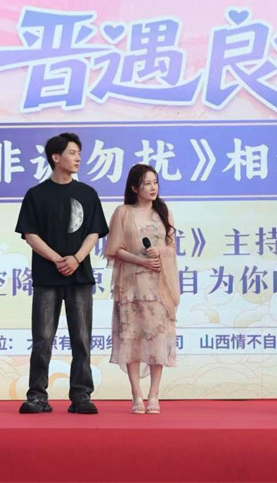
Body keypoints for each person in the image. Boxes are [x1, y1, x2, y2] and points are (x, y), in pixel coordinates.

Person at [16, 133, 109, 415]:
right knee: (43, 338)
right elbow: (30, 234)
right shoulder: (36, 194)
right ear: (55, 158)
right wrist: (58, 259)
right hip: (47, 277)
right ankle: (37, 396)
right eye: (72, 152)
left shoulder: (87, 194)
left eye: (79, 152)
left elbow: (94, 231)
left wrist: (76, 259)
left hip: (80, 277)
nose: (78, 158)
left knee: (81, 338)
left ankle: (81, 396)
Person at [105, 164, 179, 415]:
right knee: (132, 337)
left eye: (155, 182)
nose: (152, 188)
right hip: (131, 286)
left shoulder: (164, 212)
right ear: (135, 188)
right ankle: (136, 394)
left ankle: (154, 395)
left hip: (159, 286)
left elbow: (171, 248)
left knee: (158, 338)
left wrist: (160, 252)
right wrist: (141, 260)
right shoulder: (123, 212)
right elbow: (114, 249)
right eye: (147, 183)